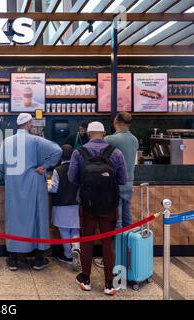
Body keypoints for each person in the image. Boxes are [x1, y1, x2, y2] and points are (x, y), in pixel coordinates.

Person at [68, 121, 127, 296]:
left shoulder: (79, 152)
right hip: (109, 205)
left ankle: (85, 279)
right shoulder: (115, 153)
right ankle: (109, 283)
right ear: (103, 133)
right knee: (108, 242)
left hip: (87, 204)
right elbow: (123, 180)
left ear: (88, 133)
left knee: (87, 240)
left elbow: (72, 177)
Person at [0, 113, 62, 271]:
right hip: (34, 184)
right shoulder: (35, 140)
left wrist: (2, 176)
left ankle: (13, 259)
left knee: (14, 218)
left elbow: (0, 166)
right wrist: (46, 165)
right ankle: (39, 258)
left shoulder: (6, 141)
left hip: (13, 185)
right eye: (32, 123)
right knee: (37, 218)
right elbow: (57, 150)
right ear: (29, 124)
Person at [94, 112, 139, 269]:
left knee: (116, 222)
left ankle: (114, 259)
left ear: (116, 121)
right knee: (127, 221)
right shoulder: (134, 140)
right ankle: (129, 256)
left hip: (114, 186)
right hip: (129, 184)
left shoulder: (110, 139)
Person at [48, 144, 81, 271]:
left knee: (64, 232)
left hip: (61, 206)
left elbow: (54, 188)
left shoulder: (58, 170)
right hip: (77, 205)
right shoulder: (79, 168)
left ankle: (67, 255)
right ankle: (76, 248)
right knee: (75, 230)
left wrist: (46, 187)